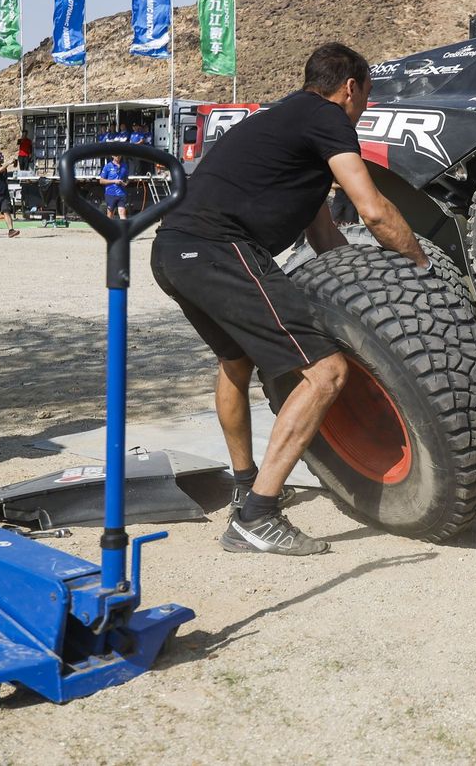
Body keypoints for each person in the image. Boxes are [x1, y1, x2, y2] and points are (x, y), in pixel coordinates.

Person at [151, 42, 429, 557]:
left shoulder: (283, 123)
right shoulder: (327, 118)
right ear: (350, 88)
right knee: (327, 373)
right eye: (365, 97)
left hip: (173, 251)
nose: (363, 108)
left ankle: (244, 481)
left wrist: (367, 290)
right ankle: (257, 514)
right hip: (219, 250)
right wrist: (420, 271)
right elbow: (373, 210)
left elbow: (326, 239)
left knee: (234, 362)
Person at [99, 153, 128, 219]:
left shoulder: (124, 166)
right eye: (116, 155)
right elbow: (101, 181)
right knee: (110, 214)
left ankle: (124, 228)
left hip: (121, 193)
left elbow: (127, 178)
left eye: (119, 155)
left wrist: (126, 183)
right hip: (110, 193)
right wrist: (114, 181)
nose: (118, 156)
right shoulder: (107, 166)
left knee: (122, 212)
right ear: (112, 156)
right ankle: (109, 228)